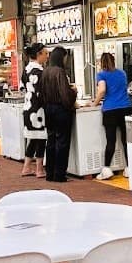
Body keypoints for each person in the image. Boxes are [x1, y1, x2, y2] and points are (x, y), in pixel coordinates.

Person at [38, 46, 76, 183]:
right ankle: (60, 174)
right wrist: (74, 92)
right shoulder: (60, 72)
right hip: (61, 111)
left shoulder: (46, 71)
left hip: (48, 109)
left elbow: (41, 93)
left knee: (51, 140)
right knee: (62, 142)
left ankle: (50, 173)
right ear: (61, 57)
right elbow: (65, 95)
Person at [93, 52, 132, 180]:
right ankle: (129, 168)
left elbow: (102, 90)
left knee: (111, 141)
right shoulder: (122, 73)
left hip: (110, 110)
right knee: (126, 140)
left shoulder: (101, 75)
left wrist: (94, 103)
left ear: (101, 63)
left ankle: (106, 169)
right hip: (126, 107)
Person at [20, 43, 48, 178]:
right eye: (45, 53)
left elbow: (22, 88)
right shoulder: (39, 72)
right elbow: (42, 92)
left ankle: (26, 167)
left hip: (28, 106)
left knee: (32, 138)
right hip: (38, 109)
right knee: (41, 138)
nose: (47, 56)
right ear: (38, 55)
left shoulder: (26, 70)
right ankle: (39, 169)